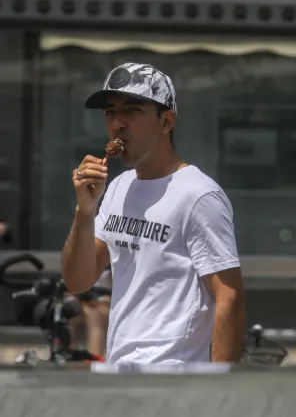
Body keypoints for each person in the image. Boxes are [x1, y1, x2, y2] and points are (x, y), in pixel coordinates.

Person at [61, 62, 245, 367]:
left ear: (166, 121)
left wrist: (217, 388)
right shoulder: (119, 187)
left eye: (133, 110)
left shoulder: (198, 194)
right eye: (110, 113)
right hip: (119, 367)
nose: (118, 123)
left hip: (173, 372)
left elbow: (230, 297)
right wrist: (84, 211)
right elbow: (79, 281)